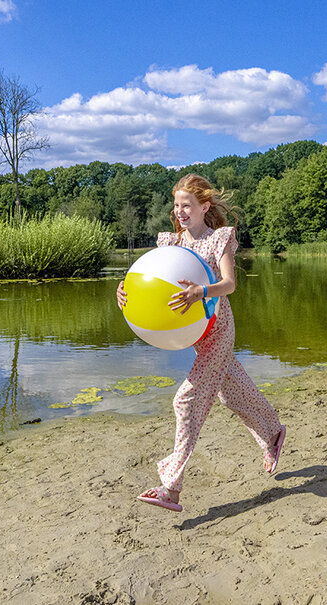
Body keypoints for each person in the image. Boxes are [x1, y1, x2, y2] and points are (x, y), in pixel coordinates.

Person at [117, 174, 287, 512]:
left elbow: (229, 284)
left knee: (186, 400)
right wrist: (124, 293)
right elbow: (150, 279)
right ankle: (273, 433)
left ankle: (171, 486)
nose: (180, 211)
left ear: (203, 207)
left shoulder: (218, 239)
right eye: (177, 205)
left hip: (218, 329)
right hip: (194, 334)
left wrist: (199, 292)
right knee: (232, 392)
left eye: (187, 205)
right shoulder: (171, 243)